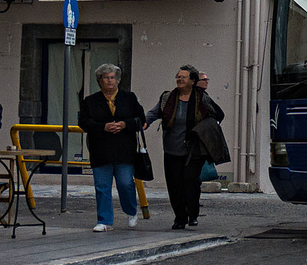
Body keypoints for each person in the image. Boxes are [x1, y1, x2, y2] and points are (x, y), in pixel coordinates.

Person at [146, 65, 224, 230]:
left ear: (193, 81)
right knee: (174, 184)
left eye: (184, 77)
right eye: (178, 77)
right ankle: (179, 217)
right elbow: (154, 113)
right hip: (171, 148)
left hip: (193, 149)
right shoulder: (168, 97)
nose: (180, 79)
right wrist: (144, 123)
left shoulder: (201, 98)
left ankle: (192, 213)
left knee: (190, 181)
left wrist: (206, 130)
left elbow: (218, 114)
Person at [78, 63, 144, 232]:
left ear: (117, 80)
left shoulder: (129, 98)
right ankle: (104, 220)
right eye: (106, 77)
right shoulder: (90, 101)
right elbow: (83, 123)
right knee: (102, 186)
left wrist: (124, 124)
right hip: (101, 149)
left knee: (125, 183)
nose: (109, 81)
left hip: (124, 149)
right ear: (100, 81)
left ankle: (131, 211)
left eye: (112, 77)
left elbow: (140, 120)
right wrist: (103, 127)